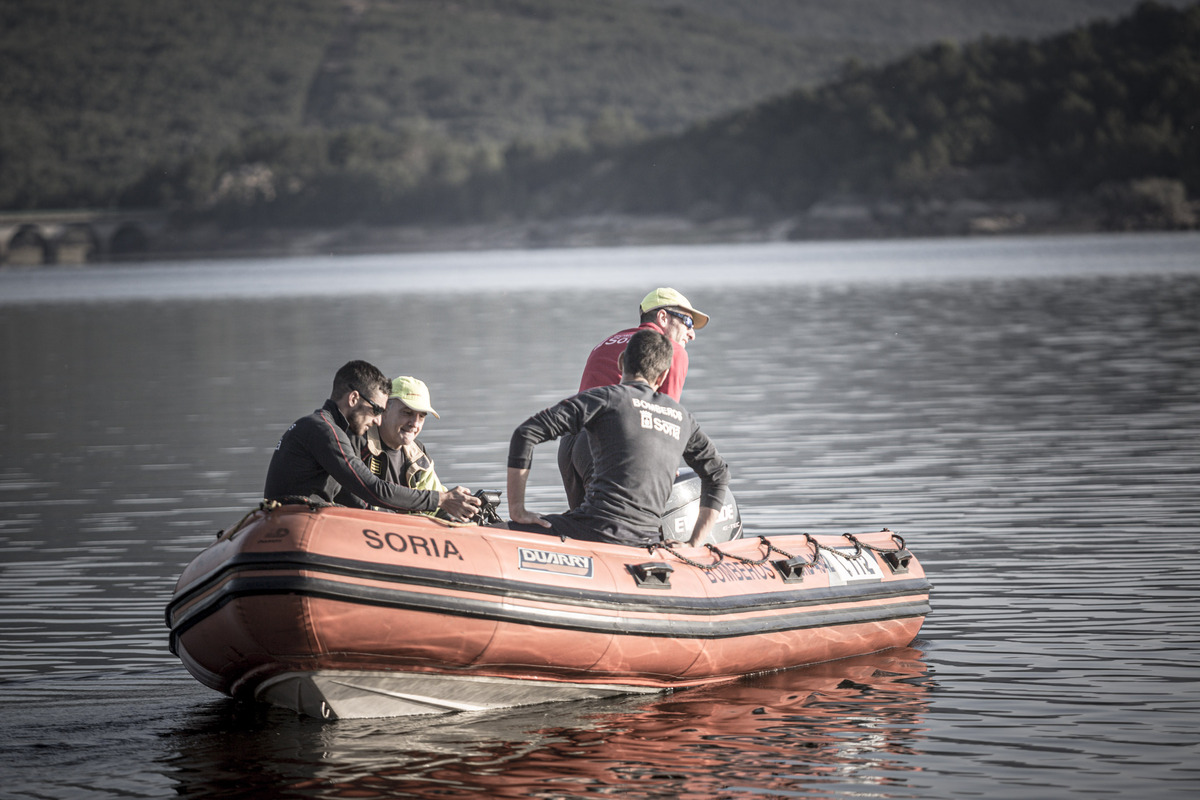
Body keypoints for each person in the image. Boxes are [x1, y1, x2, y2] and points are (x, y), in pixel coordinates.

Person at [508, 329, 730, 548]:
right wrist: (693, 544)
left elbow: (526, 433)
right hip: (646, 542)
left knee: (493, 530)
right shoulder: (682, 418)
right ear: (662, 376)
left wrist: (518, 510)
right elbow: (718, 474)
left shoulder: (605, 399)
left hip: (593, 530)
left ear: (621, 362)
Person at [263, 360, 481, 521]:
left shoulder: (318, 426)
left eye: (422, 416)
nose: (378, 419)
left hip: (297, 523)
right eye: (377, 410)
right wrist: (440, 499)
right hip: (292, 526)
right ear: (354, 398)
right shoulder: (327, 433)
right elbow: (374, 490)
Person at [558, 287, 710, 509]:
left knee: (585, 528)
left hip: (570, 446)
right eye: (687, 322)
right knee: (622, 529)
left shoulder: (604, 344)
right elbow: (665, 416)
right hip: (606, 445)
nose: (692, 333)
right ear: (663, 317)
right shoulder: (671, 350)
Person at [334, 376, 457, 519]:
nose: (415, 424)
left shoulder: (418, 456)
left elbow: (437, 507)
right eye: (407, 413)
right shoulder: (355, 441)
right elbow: (353, 498)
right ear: (384, 410)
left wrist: (460, 514)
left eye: (421, 416)